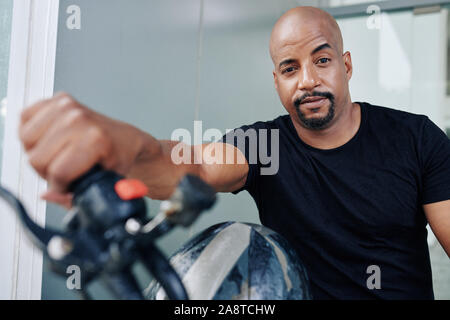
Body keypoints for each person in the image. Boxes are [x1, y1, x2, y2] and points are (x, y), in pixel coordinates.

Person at [18, 6, 449, 299]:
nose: (307, 82)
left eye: (322, 61)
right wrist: (116, 149)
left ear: (346, 65)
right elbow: (195, 164)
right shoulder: (266, 147)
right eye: (289, 68)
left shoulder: (416, 138)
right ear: (277, 80)